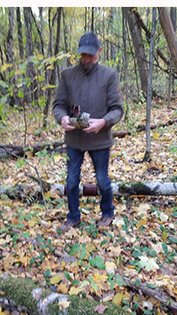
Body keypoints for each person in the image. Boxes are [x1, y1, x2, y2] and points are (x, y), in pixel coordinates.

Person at [51, 32, 124, 231]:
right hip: (74, 139)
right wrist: (63, 118)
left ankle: (107, 213)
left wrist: (103, 122)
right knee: (71, 181)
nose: (86, 59)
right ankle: (73, 216)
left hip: (100, 139)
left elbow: (117, 109)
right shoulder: (67, 75)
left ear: (99, 52)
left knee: (102, 180)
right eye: (83, 55)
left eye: (90, 55)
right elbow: (58, 105)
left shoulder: (109, 75)